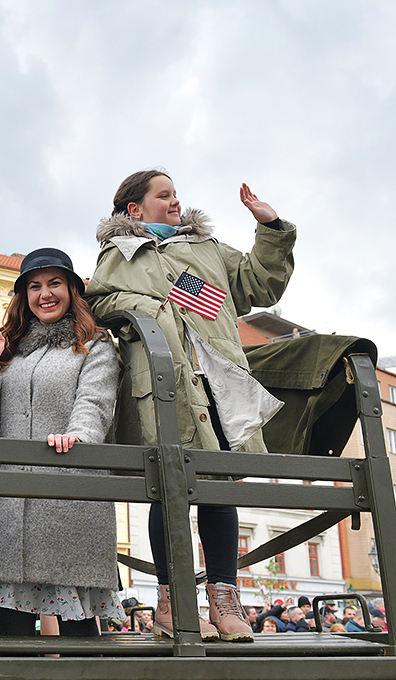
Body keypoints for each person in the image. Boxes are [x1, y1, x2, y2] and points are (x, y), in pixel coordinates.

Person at [87, 170, 296, 643]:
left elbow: (258, 285)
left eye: (176, 194)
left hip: (216, 381)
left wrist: (271, 229)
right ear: (135, 209)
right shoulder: (118, 254)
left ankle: (224, 598)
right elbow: (100, 303)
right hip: (165, 386)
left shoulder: (205, 248)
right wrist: (157, 306)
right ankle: (173, 601)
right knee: (168, 488)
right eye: (164, 195)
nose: (176, 202)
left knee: (219, 487)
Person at [0, 247, 122, 639]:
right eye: (34, 286)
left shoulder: (95, 343)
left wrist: (79, 435)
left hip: (69, 500)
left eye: (55, 283)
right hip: (14, 507)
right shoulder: (12, 347)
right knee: (14, 632)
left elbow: (95, 402)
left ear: (71, 290)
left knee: (77, 630)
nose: (45, 293)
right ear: (25, 295)